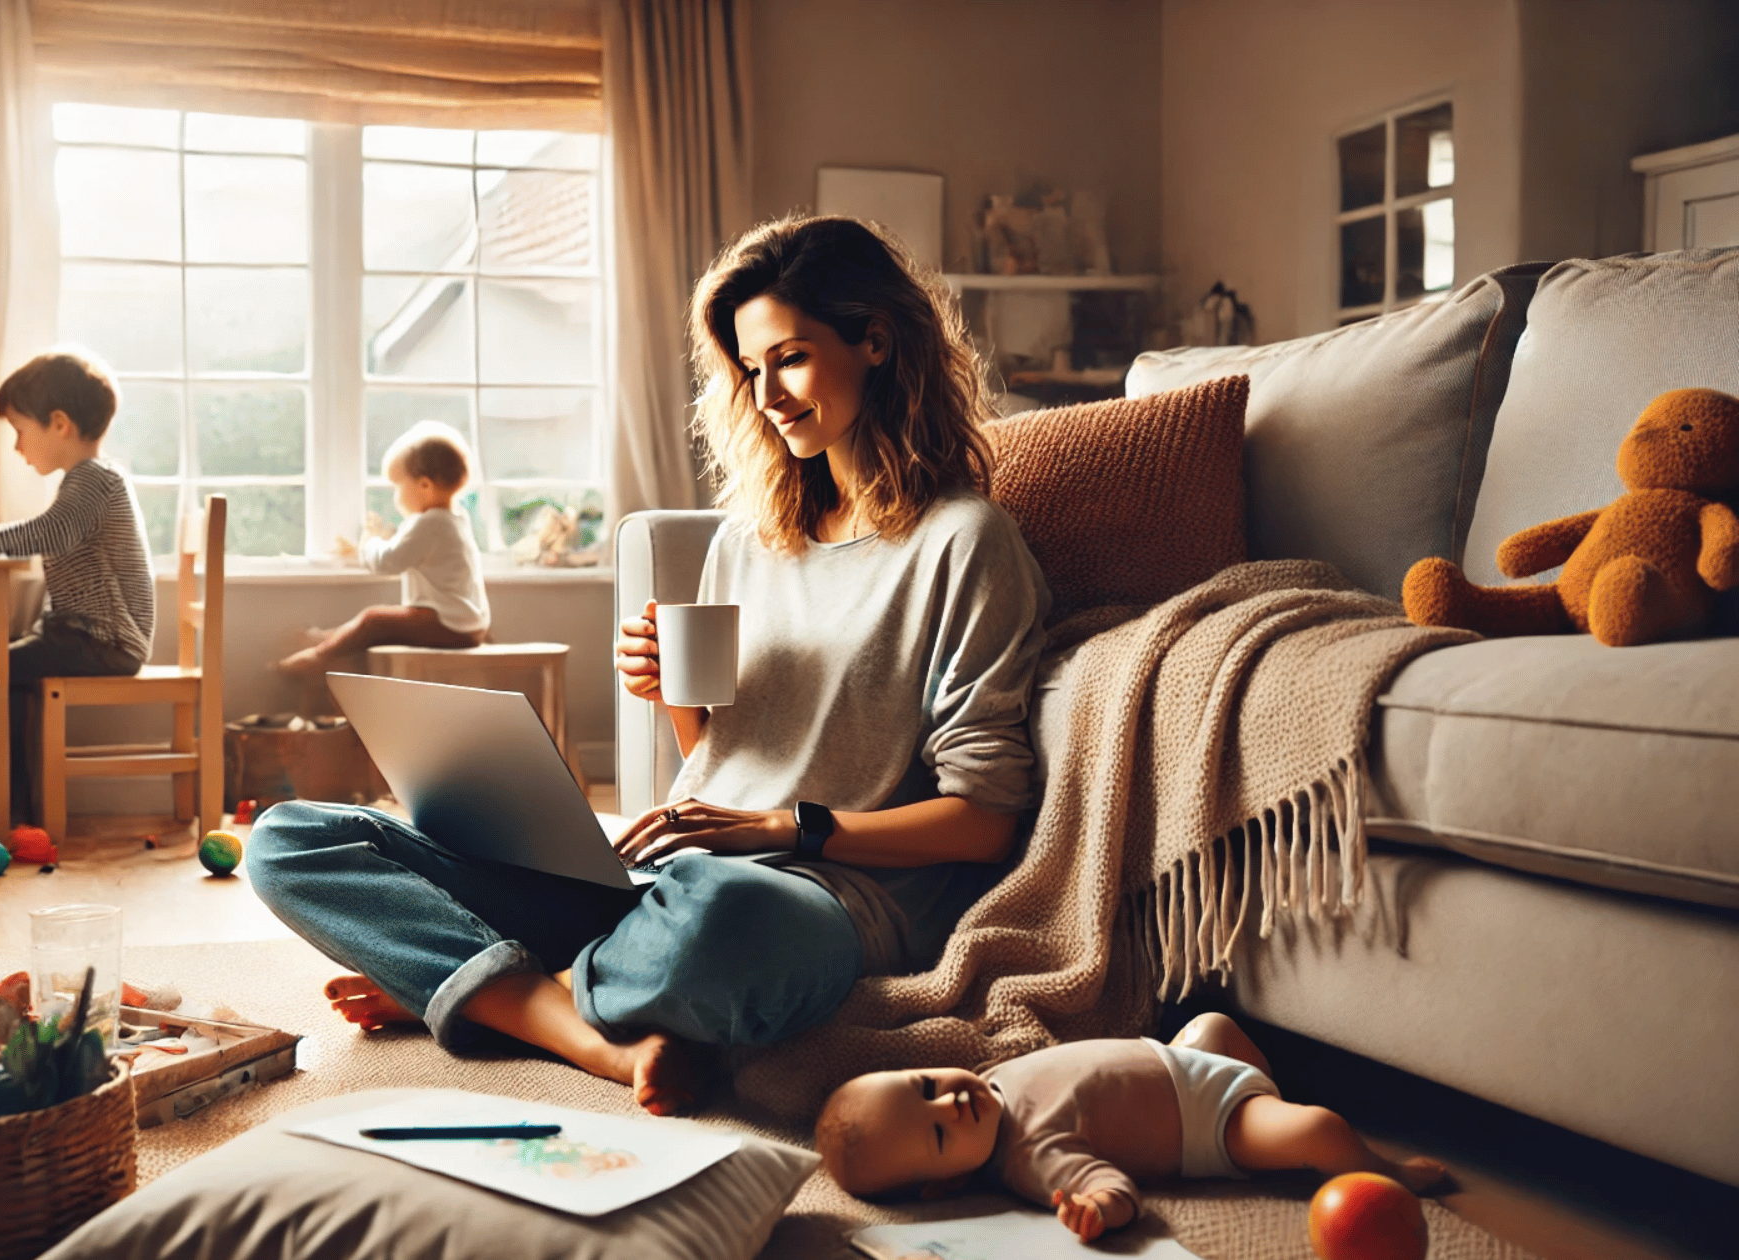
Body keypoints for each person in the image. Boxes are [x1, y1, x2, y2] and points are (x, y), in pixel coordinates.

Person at [247, 215, 1049, 1115]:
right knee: (290, 839)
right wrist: (675, 695)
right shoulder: (752, 540)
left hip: (814, 899)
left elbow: (984, 821)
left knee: (721, 918)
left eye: (789, 358)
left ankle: (480, 983)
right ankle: (574, 1023)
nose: (769, 394)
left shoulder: (964, 544)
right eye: (751, 370)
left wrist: (785, 828)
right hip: (662, 875)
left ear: (874, 341)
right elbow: (714, 759)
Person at [815, 1013, 1450, 1241]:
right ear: (945, 1186)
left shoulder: (990, 1080)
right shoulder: (1032, 1159)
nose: (949, 1104)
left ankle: (1271, 1105)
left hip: (1188, 1056)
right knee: (1318, 1130)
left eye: (926, 1086)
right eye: (937, 1135)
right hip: (1211, 1120)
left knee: (1213, 1023)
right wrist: (1097, 1209)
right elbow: (1112, 1188)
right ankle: (1384, 1170)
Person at [0, 348, 153, 828]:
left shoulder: (95, 481)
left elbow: (49, 532)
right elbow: (51, 533)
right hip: (80, 635)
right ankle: (12, 805)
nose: (16, 446)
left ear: (59, 423)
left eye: (19, 430)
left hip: (106, 642)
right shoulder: (89, 481)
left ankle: (8, 807)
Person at [276, 421, 490, 676]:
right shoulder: (455, 518)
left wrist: (369, 542)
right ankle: (330, 638)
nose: (395, 497)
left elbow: (388, 562)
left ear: (424, 486)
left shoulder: (429, 523)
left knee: (373, 620)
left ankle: (317, 657)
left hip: (447, 624)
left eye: (398, 487)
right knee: (382, 623)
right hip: (470, 624)